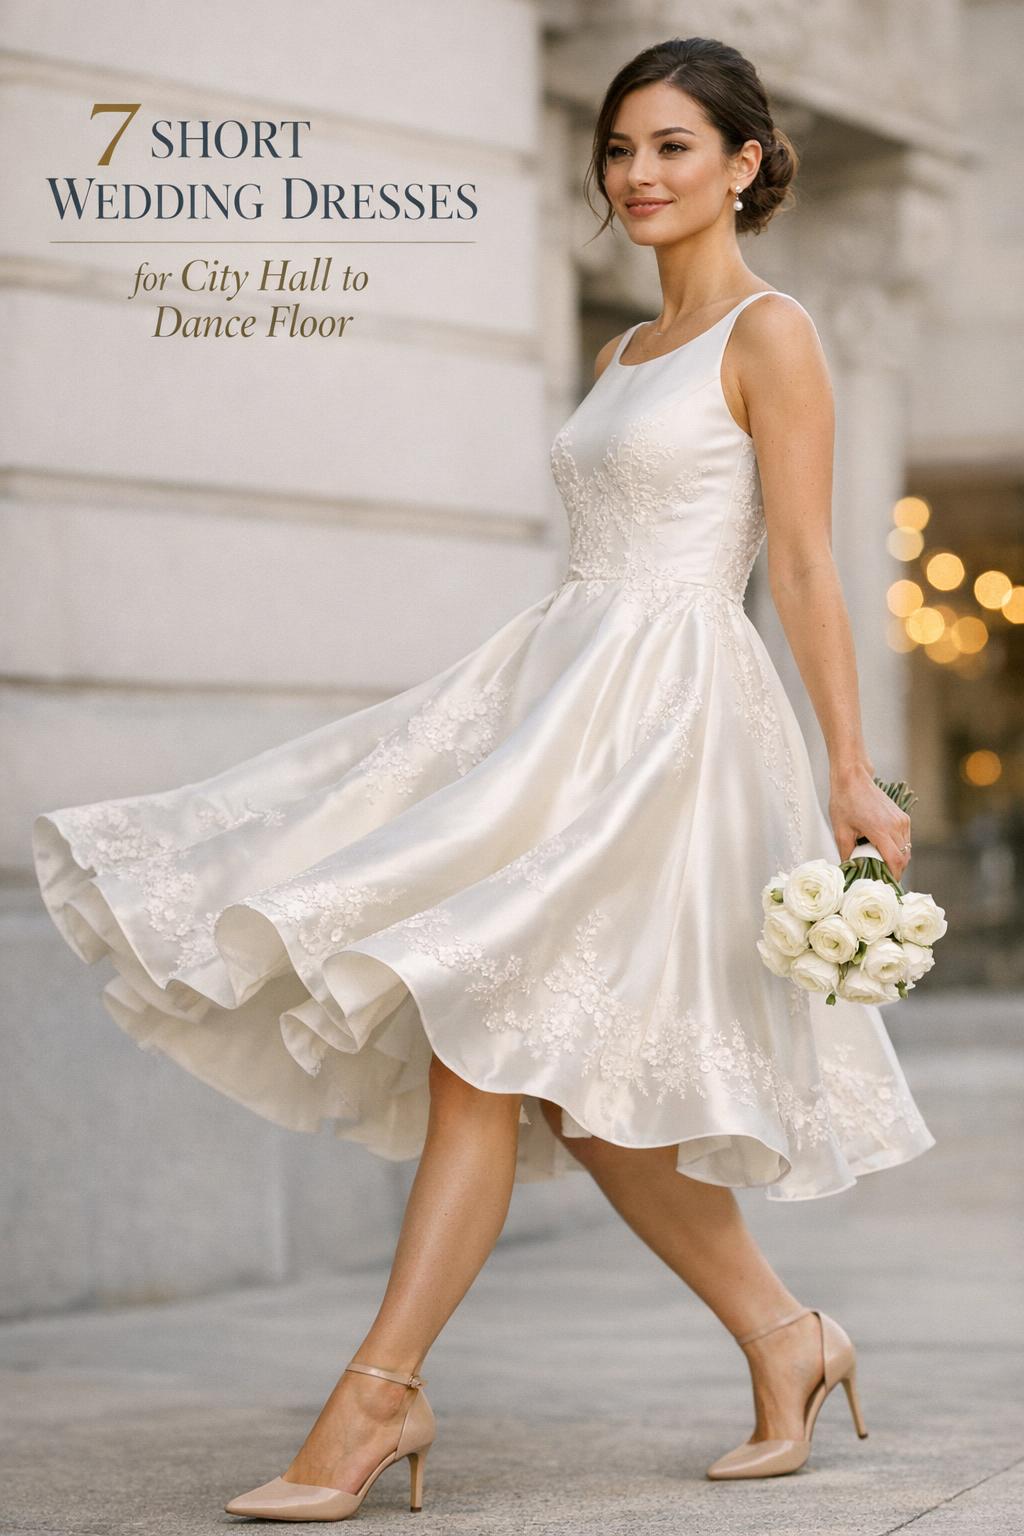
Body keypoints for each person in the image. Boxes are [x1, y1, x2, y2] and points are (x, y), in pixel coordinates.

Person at [31, 34, 935, 1522]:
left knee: (488, 1034)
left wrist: (851, 766)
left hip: (675, 726)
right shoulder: (621, 354)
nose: (635, 176)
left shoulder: (773, 336)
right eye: (619, 150)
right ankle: (793, 1340)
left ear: (746, 163)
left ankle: (373, 1402)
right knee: (566, 1079)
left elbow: (805, 567)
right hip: (563, 696)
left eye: (670, 149)